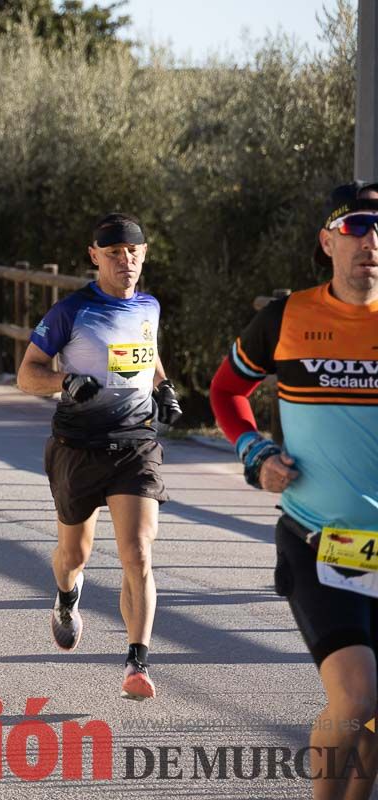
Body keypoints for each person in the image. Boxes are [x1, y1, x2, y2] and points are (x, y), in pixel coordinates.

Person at [210, 181, 378, 798]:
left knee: (374, 718)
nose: (373, 241)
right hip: (318, 542)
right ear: (328, 240)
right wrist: (254, 452)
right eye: (359, 226)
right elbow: (225, 391)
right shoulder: (287, 317)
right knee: (357, 697)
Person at [16, 212, 180, 702]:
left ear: (144, 254)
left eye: (132, 252)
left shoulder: (149, 306)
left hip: (135, 443)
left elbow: (145, 352)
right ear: (94, 257)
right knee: (75, 555)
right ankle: (67, 597)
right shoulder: (71, 311)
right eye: (113, 254)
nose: (124, 261)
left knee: (139, 553)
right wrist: (64, 382)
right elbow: (27, 374)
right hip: (77, 447)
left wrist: (164, 386)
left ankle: (137, 660)